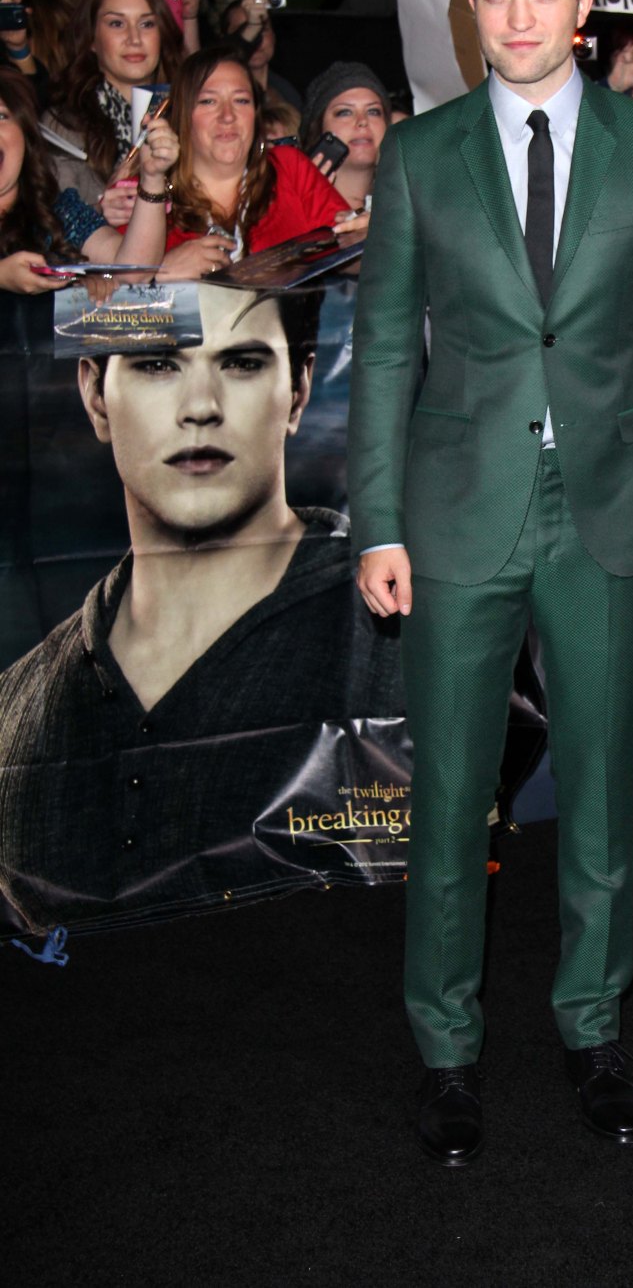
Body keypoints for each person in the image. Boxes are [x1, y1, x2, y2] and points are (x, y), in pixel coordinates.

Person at [348, 0, 633, 1166]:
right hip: (457, 512)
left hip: (610, 509)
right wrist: (377, 522)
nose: (517, 18)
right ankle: (447, 1051)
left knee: (602, 794)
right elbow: (384, 346)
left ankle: (591, 1028)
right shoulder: (420, 152)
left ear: (584, 4)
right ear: (474, 4)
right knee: (452, 798)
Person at [0, 284, 405, 934]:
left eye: (241, 363)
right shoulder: (13, 712)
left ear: (298, 390)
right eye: (158, 363)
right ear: (95, 395)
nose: (200, 407)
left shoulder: (404, 632)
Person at [161, 45, 357, 279]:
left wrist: (373, 236)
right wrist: (158, 274)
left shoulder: (288, 167)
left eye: (241, 101)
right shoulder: (151, 188)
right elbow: (123, 280)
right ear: (183, 113)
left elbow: (353, 259)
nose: (228, 116)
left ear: (256, 113)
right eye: (208, 101)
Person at [1, 69, 177, 298]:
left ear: (25, 134)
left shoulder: (56, 213)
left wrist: (152, 178)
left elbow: (133, 271)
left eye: (1, 116)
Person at [42, 0, 184, 218]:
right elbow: (49, 221)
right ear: (91, 38)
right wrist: (99, 212)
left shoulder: (190, 113)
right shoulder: (64, 124)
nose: (134, 38)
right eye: (117, 23)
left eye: (147, 24)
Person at [300, 60, 392, 213]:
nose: (362, 121)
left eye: (373, 111)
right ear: (319, 128)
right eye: (345, 112)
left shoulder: (410, 208)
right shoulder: (288, 207)